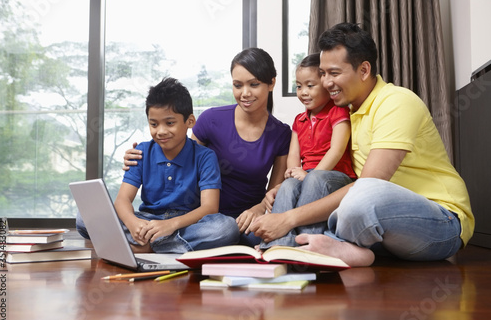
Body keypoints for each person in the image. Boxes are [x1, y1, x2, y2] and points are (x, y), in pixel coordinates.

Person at [249, 22, 474, 267]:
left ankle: (332, 242)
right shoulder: (345, 113)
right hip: (382, 228)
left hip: (441, 222)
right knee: (321, 181)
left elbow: (370, 184)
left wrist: (287, 218)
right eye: (322, 73)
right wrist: (286, 191)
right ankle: (308, 247)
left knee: (363, 194)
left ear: (364, 70)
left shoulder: (396, 102)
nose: (325, 82)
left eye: (334, 73)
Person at [124, 48, 292, 247]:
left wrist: (258, 209)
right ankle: (165, 240)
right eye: (238, 85)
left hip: (243, 219)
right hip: (198, 217)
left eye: (253, 84)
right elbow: (184, 155)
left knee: (279, 239)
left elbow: (274, 191)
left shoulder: (280, 133)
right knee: (89, 219)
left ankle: (151, 243)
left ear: (271, 83)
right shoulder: (212, 120)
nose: (245, 93)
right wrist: (143, 155)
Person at [78, 77, 239, 253]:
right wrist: (133, 223)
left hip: (184, 224)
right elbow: (123, 200)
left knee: (226, 228)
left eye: (170, 123)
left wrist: (169, 225)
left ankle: (142, 247)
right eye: (154, 124)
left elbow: (209, 208)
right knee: (84, 217)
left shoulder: (205, 157)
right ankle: (164, 246)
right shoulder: (141, 152)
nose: (161, 131)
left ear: (190, 121)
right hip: (146, 220)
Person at [257, 53, 357, 249]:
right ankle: (278, 244)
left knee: (315, 180)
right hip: (306, 175)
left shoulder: (338, 111)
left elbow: (336, 150)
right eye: (299, 86)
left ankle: (307, 243)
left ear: (326, 86)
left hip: (335, 176)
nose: (303, 92)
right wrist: (293, 173)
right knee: (286, 186)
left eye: (310, 86)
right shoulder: (299, 120)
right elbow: (294, 155)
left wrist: (310, 174)